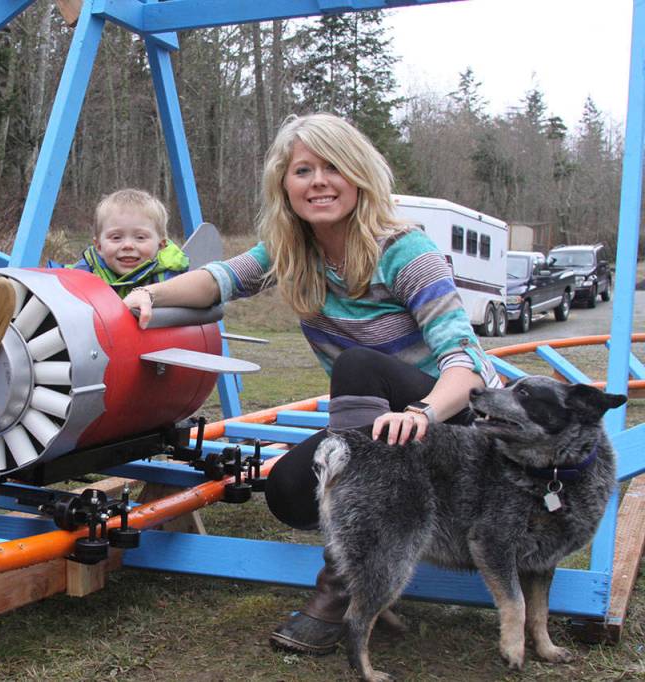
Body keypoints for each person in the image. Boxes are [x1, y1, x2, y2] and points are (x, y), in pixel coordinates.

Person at [123, 113, 501, 655]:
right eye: (303, 170)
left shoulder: (405, 251)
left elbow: (465, 362)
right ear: (285, 185)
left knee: (358, 366)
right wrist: (150, 296)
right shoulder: (291, 250)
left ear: (359, 176)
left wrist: (421, 414)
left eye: (332, 167)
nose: (318, 181)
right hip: (382, 436)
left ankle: (341, 587)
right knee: (288, 492)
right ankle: (385, 536)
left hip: (451, 427)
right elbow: (220, 278)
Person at [60, 188, 188, 298]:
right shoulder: (83, 273)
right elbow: (52, 287)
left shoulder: (171, 278)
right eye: (116, 238)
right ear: (99, 246)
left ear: (161, 245)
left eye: (140, 237)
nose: (128, 245)